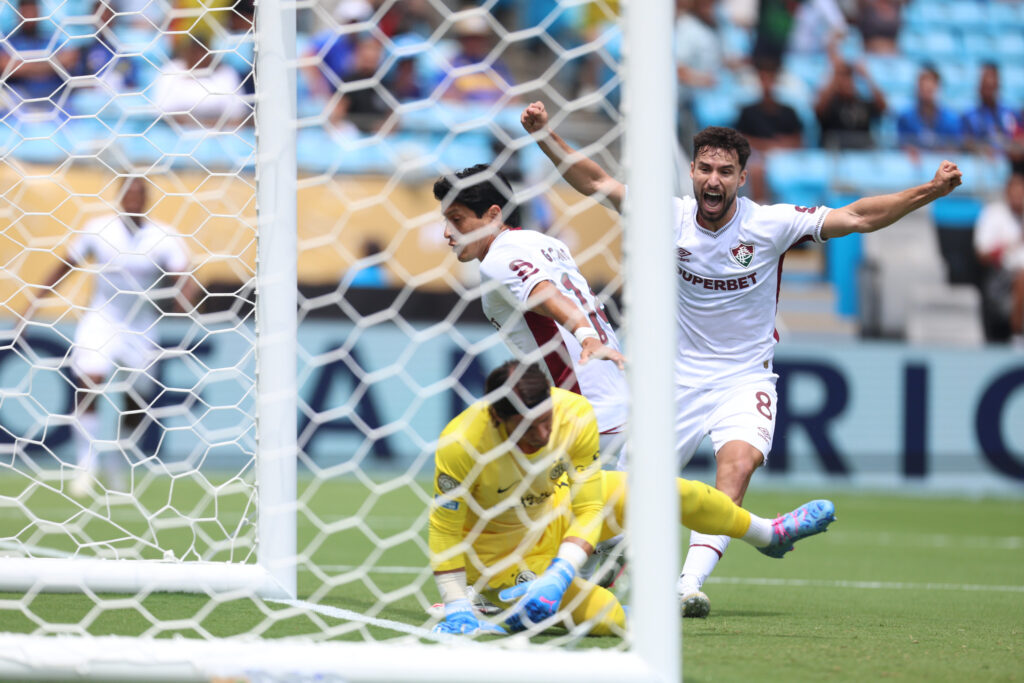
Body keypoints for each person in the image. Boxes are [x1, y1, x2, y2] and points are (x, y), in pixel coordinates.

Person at [520, 100, 961, 618]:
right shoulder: (667, 217)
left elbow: (858, 216)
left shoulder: (769, 224)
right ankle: (576, 569)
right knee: (628, 495)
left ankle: (687, 584)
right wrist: (544, 134)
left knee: (738, 463)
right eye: (706, 168)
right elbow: (596, 181)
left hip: (743, 378)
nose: (714, 180)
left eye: (725, 171)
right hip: (672, 380)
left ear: (742, 178)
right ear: (691, 171)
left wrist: (930, 190)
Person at [429, 361, 836, 636]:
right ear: (497, 417)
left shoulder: (573, 413)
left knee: (668, 489)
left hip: (560, 508)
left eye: (546, 420)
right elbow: (445, 530)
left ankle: (769, 534)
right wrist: (455, 602)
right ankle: (504, 605)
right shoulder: (461, 444)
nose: (543, 433)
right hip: (505, 556)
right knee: (607, 617)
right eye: (528, 425)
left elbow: (589, 507)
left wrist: (561, 571)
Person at [33, 176, 195, 497]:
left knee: (136, 402)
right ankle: (85, 466)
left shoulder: (163, 237)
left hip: (141, 325)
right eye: (128, 194)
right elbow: (66, 264)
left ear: (147, 199)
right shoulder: (98, 229)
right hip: (101, 319)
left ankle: (116, 463)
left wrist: (185, 297)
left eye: (139, 195)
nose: (133, 200)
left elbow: (184, 276)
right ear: (119, 198)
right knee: (89, 382)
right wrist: (35, 299)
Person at [733, 56, 804, 202]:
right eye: (763, 78)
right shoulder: (748, 111)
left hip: (786, 156)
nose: (767, 84)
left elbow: (798, 141)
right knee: (756, 169)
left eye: (770, 79)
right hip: (756, 156)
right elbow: (741, 140)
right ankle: (761, 206)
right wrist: (768, 146)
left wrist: (778, 147)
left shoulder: (789, 111)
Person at [974, 173, 1024, 343]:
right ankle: (1018, 335)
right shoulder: (993, 214)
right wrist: (1010, 244)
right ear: (1007, 193)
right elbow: (982, 255)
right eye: (1015, 193)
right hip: (1001, 277)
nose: (1019, 198)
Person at [814, 52, 887, 150]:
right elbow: (819, 111)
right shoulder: (830, 103)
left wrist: (867, 77)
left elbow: (883, 108)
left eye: (850, 78)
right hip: (835, 151)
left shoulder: (862, 102)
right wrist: (836, 73)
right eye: (843, 79)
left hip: (863, 150)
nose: (847, 83)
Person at [962, 63, 1024, 159]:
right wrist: (982, 148)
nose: (989, 83)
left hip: (1010, 162)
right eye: (985, 85)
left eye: (991, 85)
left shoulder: (1011, 113)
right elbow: (965, 142)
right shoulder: (969, 116)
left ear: (998, 84)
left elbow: (1019, 140)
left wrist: (1009, 147)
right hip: (979, 162)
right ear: (979, 86)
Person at [896, 65, 962, 153]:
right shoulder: (905, 118)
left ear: (937, 88)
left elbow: (955, 147)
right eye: (922, 87)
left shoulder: (951, 119)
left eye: (929, 89)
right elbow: (902, 145)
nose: (925, 91)